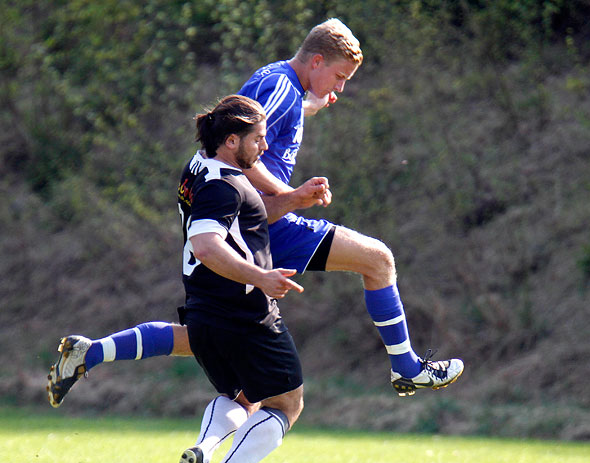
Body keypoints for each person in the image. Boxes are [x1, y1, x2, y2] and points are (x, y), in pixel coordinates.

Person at [46, 18, 463, 409]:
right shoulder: (281, 89)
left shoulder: (280, 83)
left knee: (208, 341)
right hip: (264, 224)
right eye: (339, 76)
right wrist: (290, 193)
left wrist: (313, 104)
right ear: (316, 60)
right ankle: (406, 369)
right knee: (378, 260)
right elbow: (244, 151)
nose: (340, 86)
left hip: (242, 225)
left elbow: (268, 123)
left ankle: (92, 354)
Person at [169, 94, 304, 463]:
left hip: (204, 312)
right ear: (231, 141)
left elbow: (250, 216)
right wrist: (261, 277)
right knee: (287, 403)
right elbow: (207, 245)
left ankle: (204, 448)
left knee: (241, 397)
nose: (264, 148)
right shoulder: (223, 186)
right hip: (244, 313)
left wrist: (297, 199)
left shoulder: (200, 166)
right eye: (258, 139)